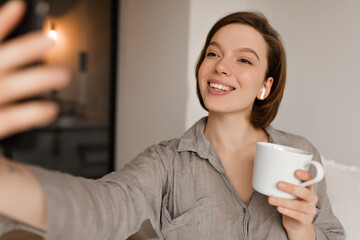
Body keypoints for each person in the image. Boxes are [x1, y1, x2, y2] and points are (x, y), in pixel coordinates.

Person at [0, 1, 345, 239]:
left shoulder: (300, 153)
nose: (221, 66)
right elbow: (104, 208)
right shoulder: (166, 163)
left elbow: (331, 235)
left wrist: (302, 231)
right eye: (213, 53)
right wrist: (7, 181)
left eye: (244, 60)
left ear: (265, 86)